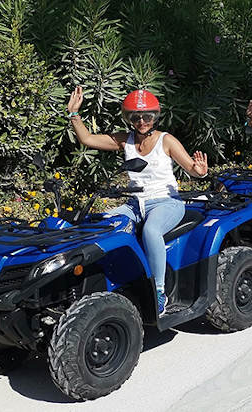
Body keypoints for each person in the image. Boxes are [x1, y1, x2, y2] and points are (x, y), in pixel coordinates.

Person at [66, 87, 209, 315]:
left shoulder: (166, 140)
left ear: (155, 117)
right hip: (136, 204)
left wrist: (199, 171)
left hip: (166, 202)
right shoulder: (126, 140)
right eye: (136, 117)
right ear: (129, 118)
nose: (142, 121)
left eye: (147, 116)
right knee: (101, 222)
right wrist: (74, 113)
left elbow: (192, 168)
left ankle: (159, 293)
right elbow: (87, 139)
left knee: (151, 231)